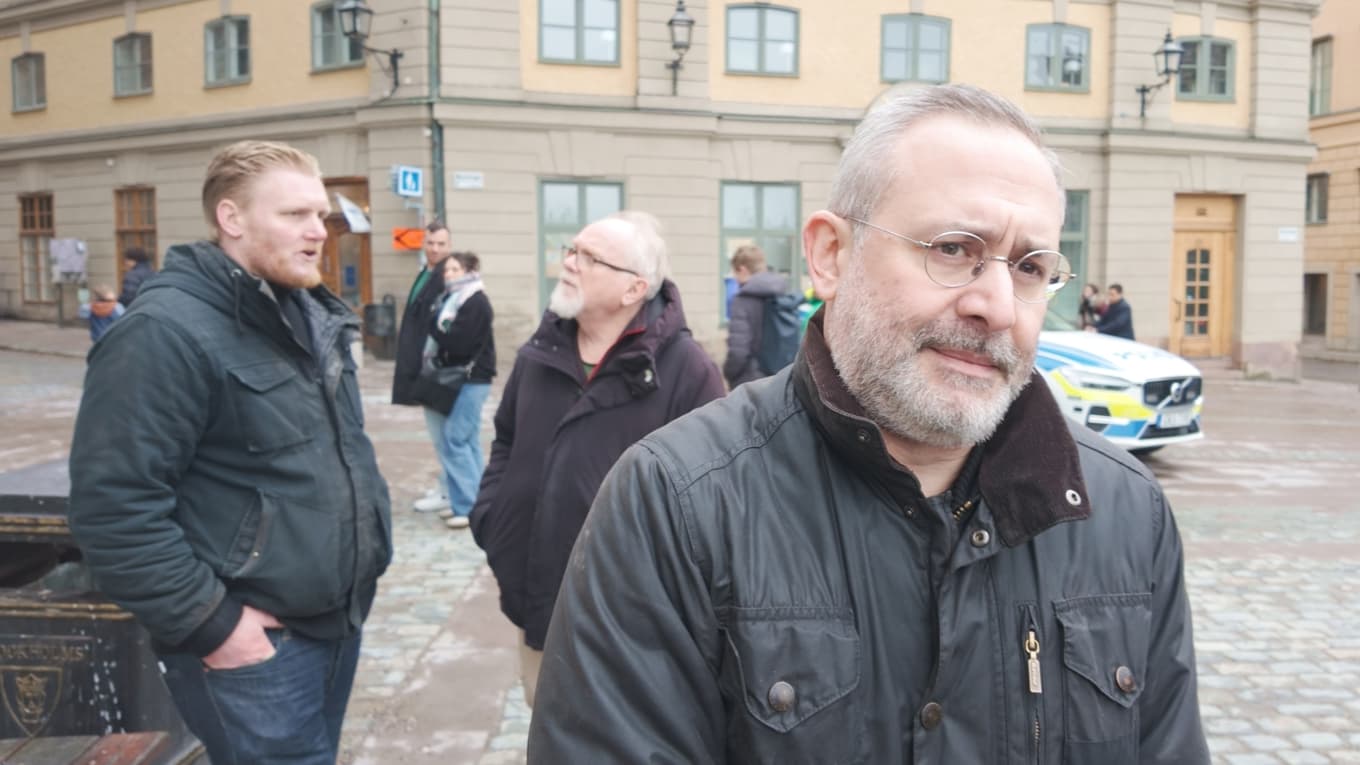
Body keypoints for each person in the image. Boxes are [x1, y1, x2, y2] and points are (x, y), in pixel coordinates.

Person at [528, 85, 1208, 763]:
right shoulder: (674, 504)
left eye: (1030, 267)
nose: (998, 306)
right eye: (952, 248)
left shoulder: (1127, 511)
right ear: (830, 254)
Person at [68, 140, 393, 765]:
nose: (317, 231)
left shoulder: (308, 313)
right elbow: (113, 508)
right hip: (251, 648)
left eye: (320, 215)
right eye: (294, 215)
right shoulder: (163, 332)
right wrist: (213, 625)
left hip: (333, 624)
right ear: (231, 218)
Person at [470, 210, 724, 706]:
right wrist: (493, 517)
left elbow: (716, 497)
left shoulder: (686, 370)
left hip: (630, 628)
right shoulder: (540, 350)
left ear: (634, 289)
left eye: (590, 258)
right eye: (572, 250)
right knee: (545, 724)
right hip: (536, 600)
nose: (570, 263)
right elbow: (505, 440)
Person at [423, 251, 495, 530]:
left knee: (455, 439)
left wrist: (434, 326)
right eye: (447, 270)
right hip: (465, 378)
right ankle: (470, 501)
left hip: (473, 378)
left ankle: (467, 507)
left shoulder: (474, 300)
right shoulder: (455, 299)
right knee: (467, 441)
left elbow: (459, 343)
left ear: (469, 271)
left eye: (455, 269)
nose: (448, 274)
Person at [391, 220, 457, 513]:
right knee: (440, 433)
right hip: (424, 369)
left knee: (445, 436)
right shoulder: (427, 272)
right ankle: (448, 487)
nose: (435, 249)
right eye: (431, 242)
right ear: (423, 243)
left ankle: (450, 493)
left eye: (442, 244)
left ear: (450, 246)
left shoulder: (448, 277)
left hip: (437, 372)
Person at [722, 244, 792, 388]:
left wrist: (728, 373)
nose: (734, 278)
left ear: (742, 270)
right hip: (781, 378)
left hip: (750, 381)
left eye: (735, 272)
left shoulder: (742, 300)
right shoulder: (781, 292)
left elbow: (738, 350)